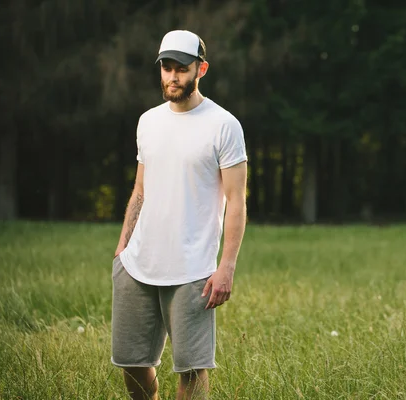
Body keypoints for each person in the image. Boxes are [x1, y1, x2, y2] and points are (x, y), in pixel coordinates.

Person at [111, 30, 247, 400]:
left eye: (181, 69)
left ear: (201, 69)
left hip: (193, 269)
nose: (172, 77)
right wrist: (122, 250)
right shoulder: (148, 121)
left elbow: (236, 201)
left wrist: (227, 266)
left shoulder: (223, 125)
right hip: (138, 263)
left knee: (191, 368)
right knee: (131, 361)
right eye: (166, 68)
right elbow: (140, 189)